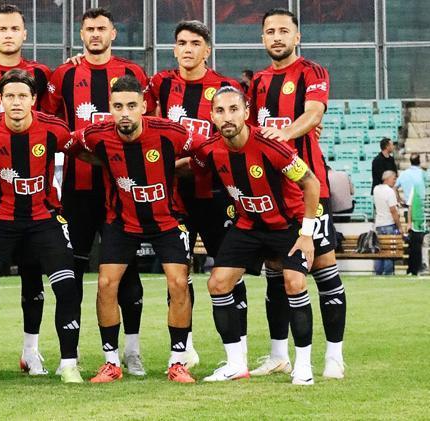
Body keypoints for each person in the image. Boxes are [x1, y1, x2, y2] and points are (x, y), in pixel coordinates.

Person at [44, 7, 150, 376]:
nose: (95, 34)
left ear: (113, 33)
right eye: (89, 29)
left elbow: (147, 123)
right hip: (78, 190)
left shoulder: (133, 73)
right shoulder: (65, 74)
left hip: (123, 189)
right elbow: (51, 123)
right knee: (70, 273)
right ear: (81, 34)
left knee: (127, 272)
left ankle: (132, 351)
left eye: (101, 28)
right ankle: (69, 356)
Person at [190, 86, 320, 385]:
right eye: (220, 111)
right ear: (212, 116)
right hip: (249, 225)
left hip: (287, 225)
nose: (227, 117)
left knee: (294, 282)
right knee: (218, 283)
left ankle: (303, 366)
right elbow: (191, 167)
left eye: (234, 109)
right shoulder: (209, 150)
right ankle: (236, 364)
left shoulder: (272, 145)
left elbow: (311, 183)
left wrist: (307, 233)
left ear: (246, 112)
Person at [74, 76, 198, 384]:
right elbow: (71, 145)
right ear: (110, 108)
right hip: (122, 221)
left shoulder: (171, 132)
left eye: (131, 105)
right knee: (106, 284)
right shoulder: (96, 134)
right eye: (118, 107)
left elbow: (203, 151)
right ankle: (111, 362)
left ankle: (178, 361)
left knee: (178, 283)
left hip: (166, 220)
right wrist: (103, 161)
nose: (125, 113)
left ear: (144, 106)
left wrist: (174, 167)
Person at [0, 69, 83, 384]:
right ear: (0, 100)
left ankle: (68, 364)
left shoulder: (55, 129)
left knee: (66, 286)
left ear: (33, 100)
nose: (16, 102)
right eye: (10, 96)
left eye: (22, 96)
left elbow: (81, 151)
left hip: (44, 217)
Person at [249, 8, 346, 379]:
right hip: (271, 193)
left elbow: (314, 113)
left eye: (283, 31)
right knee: (276, 272)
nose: (277, 37)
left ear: (297, 36)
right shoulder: (258, 82)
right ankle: (278, 355)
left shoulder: (312, 72)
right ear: (263, 38)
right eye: (270, 31)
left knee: (323, 269)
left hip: (308, 188)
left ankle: (334, 356)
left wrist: (285, 134)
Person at [146, 20, 247, 367]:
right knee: (178, 275)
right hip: (175, 197)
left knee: (229, 273)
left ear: (207, 50)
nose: (187, 49)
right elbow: (137, 114)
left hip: (218, 195)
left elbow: (234, 138)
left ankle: (238, 352)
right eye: (181, 43)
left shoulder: (225, 88)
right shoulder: (160, 84)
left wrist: (185, 162)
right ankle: (184, 349)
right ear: (174, 49)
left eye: (195, 43)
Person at [0, 3, 55, 375]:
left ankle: (30, 351)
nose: (8, 34)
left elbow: (50, 125)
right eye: (1, 28)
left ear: (24, 33)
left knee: (33, 274)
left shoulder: (41, 74)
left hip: (33, 195)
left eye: (14, 28)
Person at [397, 155, 427, 275]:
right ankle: (418, 266)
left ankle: (413, 267)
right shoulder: (423, 174)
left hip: (410, 210)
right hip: (421, 211)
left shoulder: (404, 174)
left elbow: (395, 187)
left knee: (413, 243)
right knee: (421, 242)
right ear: (420, 162)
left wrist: (399, 200)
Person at [373, 170, 402, 275]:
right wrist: (399, 226)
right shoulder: (389, 191)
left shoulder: (376, 189)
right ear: (387, 178)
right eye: (394, 179)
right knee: (389, 250)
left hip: (379, 224)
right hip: (389, 223)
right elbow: (393, 210)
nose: (395, 181)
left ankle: (378, 271)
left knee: (379, 250)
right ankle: (388, 272)